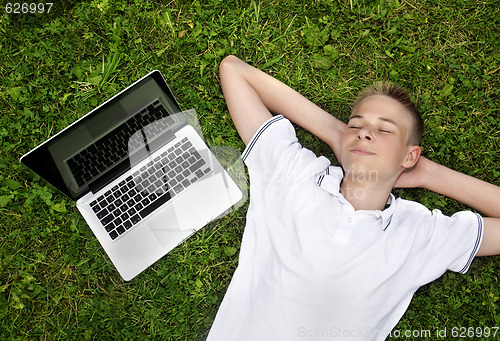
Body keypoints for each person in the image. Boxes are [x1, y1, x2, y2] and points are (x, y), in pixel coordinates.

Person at [206, 55, 500, 341]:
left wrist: (429, 174)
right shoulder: (295, 173)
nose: (365, 134)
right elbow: (234, 70)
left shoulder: (419, 234)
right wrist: (337, 133)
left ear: (410, 156)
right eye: (356, 124)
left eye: (384, 130)